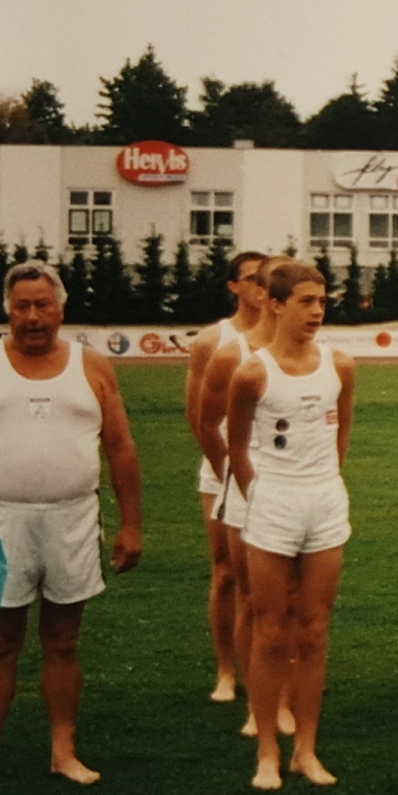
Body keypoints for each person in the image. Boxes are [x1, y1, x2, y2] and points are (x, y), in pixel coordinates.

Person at [0, 263, 142, 787]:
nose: (33, 317)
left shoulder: (92, 366)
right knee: (1, 641)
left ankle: (63, 751)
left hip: (72, 519)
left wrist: (131, 524)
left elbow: (120, 447)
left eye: (43, 305)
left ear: (61, 310)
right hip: (0, 520)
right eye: (22, 307)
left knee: (63, 639)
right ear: (8, 312)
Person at [226, 262, 358, 790]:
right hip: (273, 502)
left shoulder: (340, 365)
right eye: (306, 301)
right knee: (270, 629)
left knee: (315, 629)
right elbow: (237, 448)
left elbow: (341, 435)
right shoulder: (252, 372)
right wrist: (261, 497)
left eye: (322, 301)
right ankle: (266, 752)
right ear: (276, 305)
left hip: (324, 501)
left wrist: (325, 485)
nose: (317, 311)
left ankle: (305, 750)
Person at [199, 254, 295, 739]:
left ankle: (284, 696)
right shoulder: (226, 350)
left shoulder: (318, 353)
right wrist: (235, 480)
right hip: (238, 478)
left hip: (293, 485)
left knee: (288, 599)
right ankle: (236, 679)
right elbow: (204, 421)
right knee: (244, 590)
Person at [185, 250, 267, 703]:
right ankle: (225, 671)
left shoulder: (284, 336)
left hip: (271, 471)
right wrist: (229, 475)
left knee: (267, 579)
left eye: (267, 279)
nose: (261, 287)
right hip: (222, 468)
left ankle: (266, 670)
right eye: (252, 279)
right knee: (226, 572)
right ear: (234, 286)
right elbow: (199, 417)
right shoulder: (213, 340)